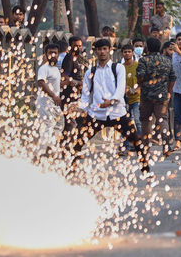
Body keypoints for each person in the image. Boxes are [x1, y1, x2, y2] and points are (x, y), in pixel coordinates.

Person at [75, 38, 148, 173]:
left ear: (109, 51)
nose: (102, 52)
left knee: (137, 140)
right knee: (78, 141)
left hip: (117, 113)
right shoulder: (90, 72)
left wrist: (111, 101)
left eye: (105, 49)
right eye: (99, 49)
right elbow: (85, 94)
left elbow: (121, 88)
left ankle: (146, 169)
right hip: (97, 114)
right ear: (95, 52)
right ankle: (71, 168)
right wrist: (81, 109)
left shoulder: (118, 68)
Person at [136, 37, 176, 155]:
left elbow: (140, 76)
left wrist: (141, 85)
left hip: (146, 96)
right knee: (163, 120)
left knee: (145, 120)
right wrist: (168, 91)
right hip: (162, 96)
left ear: (147, 47)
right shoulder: (167, 61)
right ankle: (166, 145)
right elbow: (173, 78)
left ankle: (146, 147)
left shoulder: (143, 60)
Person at [59, 36, 86, 142]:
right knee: (71, 122)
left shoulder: (78, 59)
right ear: (70, 46)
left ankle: (71, 144)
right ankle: (66, 144)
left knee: (77, 120)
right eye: (75, 46)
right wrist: (77, 83)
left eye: (80, 46)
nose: (78, 48)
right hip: (68, 96)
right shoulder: (69, 58)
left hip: (77, 95)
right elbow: (64, 76)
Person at [36, 43, 64, 144]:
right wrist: (54, 96)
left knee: (60, 123)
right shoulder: (44, 68)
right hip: (45, 102)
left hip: (54, 103)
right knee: (47, 127)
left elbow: (56, 84)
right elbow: (41, 83)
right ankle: (44, 149)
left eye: (55, 53)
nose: (53, 55)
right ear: (46, 54)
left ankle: (52, 146)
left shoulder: (56, 69)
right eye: (50, 53)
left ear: (58, 54)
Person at [121, 44, 142, 148]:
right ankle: (125, 145)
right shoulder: (120, 68)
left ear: (133, 53)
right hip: (124, 99)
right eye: (125, 52)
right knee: (125, 123)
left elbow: (142, 80)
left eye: (129, 52)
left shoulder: (138, 66)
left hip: (137, 98)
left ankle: (140, 144)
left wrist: (137, 90)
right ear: (122, 54)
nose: (127, 54)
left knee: (138, 121)